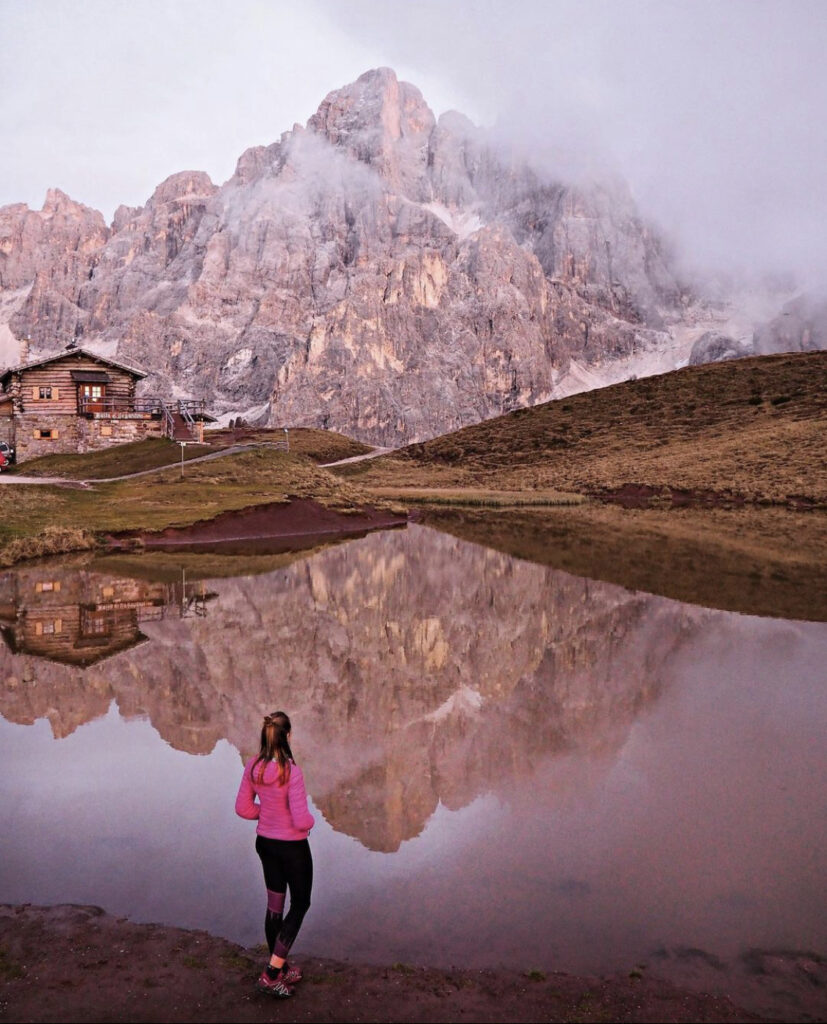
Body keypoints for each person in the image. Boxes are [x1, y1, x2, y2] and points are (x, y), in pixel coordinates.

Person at [235, 710, 315, 998]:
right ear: (288, 736)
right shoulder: (292, 771)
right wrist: (311, 821)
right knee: (301, 903)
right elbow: (301, 819)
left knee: (275, 907)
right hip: (292, 848)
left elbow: (243, 808)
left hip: (265, 844)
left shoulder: (253, 766)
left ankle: (280, 968)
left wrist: (266, 814)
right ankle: (271, 974)